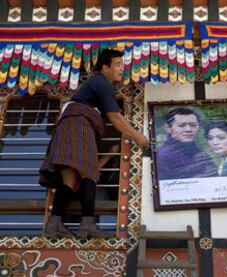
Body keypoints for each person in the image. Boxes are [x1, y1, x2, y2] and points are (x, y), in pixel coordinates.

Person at [39, 49, 148, 238]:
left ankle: (54, 223)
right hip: (79, 124)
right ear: (105, 68)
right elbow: (115, 117)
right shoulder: (101, 82)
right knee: (88, 173)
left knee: (71, 182)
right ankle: (87, 223)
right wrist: (139, 137)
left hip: (71, 126)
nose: (121, 69)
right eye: (117, 64)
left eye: (122, 65)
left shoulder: (100, 84)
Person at [157, 108, 216, 180]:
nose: (188, 129)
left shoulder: (200, 153)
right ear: (168, 128)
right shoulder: (163, 156)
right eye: (181, 125)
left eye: (193, 125)